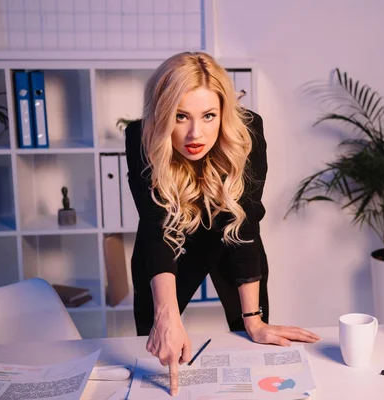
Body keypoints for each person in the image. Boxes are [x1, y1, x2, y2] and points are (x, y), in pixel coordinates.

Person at [124, 52, 320, 397]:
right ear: (163, 114)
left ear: (223, 113)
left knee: (254, 341)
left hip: (231, 239)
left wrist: (255, 320)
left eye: (208, 116)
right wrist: (166, 315)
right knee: (157, 345)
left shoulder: (247, 133)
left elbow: (245, 227)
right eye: (180, 117)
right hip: (168, 241)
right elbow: (156, 227)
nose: (194, 133)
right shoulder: (141, 136)